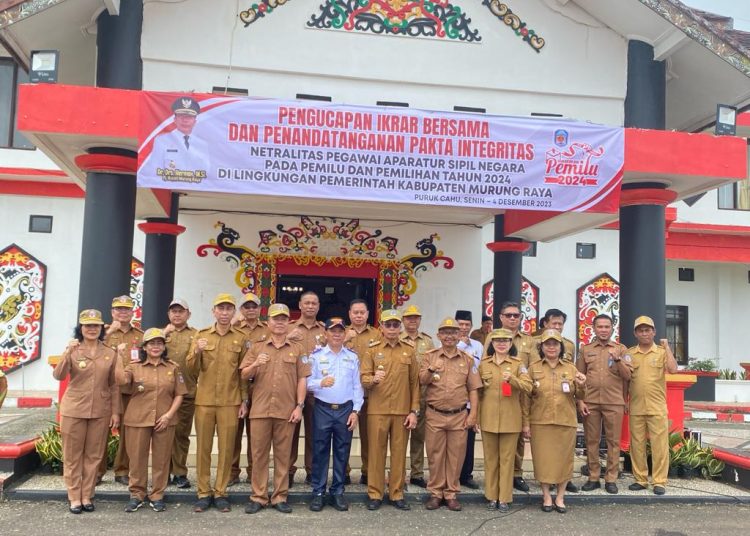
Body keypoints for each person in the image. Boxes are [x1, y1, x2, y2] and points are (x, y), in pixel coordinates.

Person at [240, 303, 311, 514]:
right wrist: (255, 365)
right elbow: (244, 375)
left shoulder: (298, 349)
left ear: (288, 322)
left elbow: (302, 380)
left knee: (283, 456)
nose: (279, 323)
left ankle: (280, 496)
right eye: (275, 319)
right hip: (260, 410)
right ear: (268, 322)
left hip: (286, 410)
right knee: (259, 455)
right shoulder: (257, 347)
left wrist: (299, 406)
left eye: (283, 319)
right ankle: (259, 496)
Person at [53, 309, 120, 514]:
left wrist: (115, 412)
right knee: (73, 455)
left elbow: (114, 385)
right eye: (87, 325)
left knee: (94, 455)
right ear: (80, 328)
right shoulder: (73, 349)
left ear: (101, 328)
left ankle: (87, 495)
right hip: (74, 409)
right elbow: (58, 375)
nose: (92, 329)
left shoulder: (110, 352)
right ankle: (74, 496)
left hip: (100, 410)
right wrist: (67, 353)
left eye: (96, 326)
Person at [187, 294, 249, 513]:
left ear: (234, 312)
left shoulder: (240, 338)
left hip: (230, 402)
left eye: (228, 309)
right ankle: (203, 492)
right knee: (203, 448)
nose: (224, 313)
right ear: (214, 311)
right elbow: (191, 371)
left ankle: (221, 492)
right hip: (204, 400)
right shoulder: (201, 336)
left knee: (226, 449)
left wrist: (244, 400)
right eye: (220, 309)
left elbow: (243, 373)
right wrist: (196, 352)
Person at [115, 328, 187, 512]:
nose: (156, 347)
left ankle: (157, 495)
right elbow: (121, 381)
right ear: (144, 347)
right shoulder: (134, 366)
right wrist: (117, 357)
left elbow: (179, 394)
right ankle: (137, 494)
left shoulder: (173, 368)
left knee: (161, 459)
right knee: (137, 458)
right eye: (152, 343)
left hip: (164, 419)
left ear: (164, 347)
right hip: (137, 418)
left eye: (159, 343)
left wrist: (169, 415)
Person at [420, 317, 481, 512]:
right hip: (435, 414)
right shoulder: (430, 356)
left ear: (459, 335)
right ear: (439, 335)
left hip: (459, 415)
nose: (449, 336)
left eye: (453, 332)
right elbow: (422, 380)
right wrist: (431, 369)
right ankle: (436, 493)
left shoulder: (467, 359)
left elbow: (474, 389)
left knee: (456, 455)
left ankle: (451, 493)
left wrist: (473, 415)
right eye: (445, 332)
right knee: (435, 455)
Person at [361, 309, 419, 511]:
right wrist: (372, 380)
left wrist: (414, 411)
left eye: (396, 325)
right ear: (381, 327)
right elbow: (363, 377)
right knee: (376, 453)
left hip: (402, 410)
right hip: (377, 409)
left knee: (399, 453)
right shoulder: (372, 349)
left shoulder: (409, 350)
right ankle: (375, 493)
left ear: (400, 327)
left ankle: (396, 493)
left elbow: (415, 383)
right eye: (389, 325)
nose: (392, 328)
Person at [524, 330, 586, 514]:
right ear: (541, 347)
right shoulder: (533, 368)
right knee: (543, 460)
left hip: (565, 421)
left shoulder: (570, 368)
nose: (551, 347)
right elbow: (526, 398)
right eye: (547, 344)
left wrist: (582, 385)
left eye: (555, 344)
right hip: (540, 421)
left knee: (564, 460)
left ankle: (560, 496)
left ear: (561, 347)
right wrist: (525, 423)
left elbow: (579, 396)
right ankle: (546, 495)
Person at [306, 317, 364, 512]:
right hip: (322, 408)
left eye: (340, 331)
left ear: (345, 334)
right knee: (320, 451)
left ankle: (338, 491)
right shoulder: (316, 356)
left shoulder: (352, 357)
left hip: (345, 409)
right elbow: (305, 383)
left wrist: (356, 411)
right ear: (326, 334)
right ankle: (318, 492)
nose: (337, 334)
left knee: (342, 452)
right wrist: (319, 384)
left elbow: (357, 386)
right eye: (333, 331)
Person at [479, 328, 533, 512]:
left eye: (505, 341)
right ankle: (491, 496)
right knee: (491, 460)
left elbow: (529, 387)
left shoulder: (519, 365)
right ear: (492, 344)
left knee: (507, 460)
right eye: (497, 341)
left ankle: (504, 497)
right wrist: (476, 418)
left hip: (511, 419)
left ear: (511, 344)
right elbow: (478, 393)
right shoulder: (484, 364)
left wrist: (513, 380)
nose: (501, 343)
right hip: (488, 417)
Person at [577, 314, 631, 494]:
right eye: (599, 326)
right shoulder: (586, 350)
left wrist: (617, 359)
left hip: (613, 401)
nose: (603, 330)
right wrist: (580, 400)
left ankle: (611, 478)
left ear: (612, 328)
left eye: (606, 327)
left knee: (613, 442)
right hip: (590, 401)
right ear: (594, 328)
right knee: (591, 440)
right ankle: (593, 476)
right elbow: (579, 377)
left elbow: (628, 376)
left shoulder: (621, 349)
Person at [627, 315, 678, 495]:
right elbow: (625, 379)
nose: (644, 333)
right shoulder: (630, 353)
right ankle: (640, 479)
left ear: (654, 332)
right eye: (640, 330)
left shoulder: (662, 352)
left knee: (660, 446)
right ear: (635, 333)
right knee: (637, 445)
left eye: (647, 330)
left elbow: (673, 369)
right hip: (636, 406)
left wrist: (667, 347)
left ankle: (659, 482)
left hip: (657, 407)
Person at [487, 301, 535, 492]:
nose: (513, 318)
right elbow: (486, 361)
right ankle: (497, 481)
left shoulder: (528, 340)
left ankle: (516, 473)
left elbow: (533, 367)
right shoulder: (492, 336)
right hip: (496, 391)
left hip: (520, 390)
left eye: (516, 315)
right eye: (509, 315)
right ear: (501, 317)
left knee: (519, 436)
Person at [100, 295, 143, 486]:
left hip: (129, 390)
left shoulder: (140, 335)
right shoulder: (102, 333)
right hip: (105, 389)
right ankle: (97, 472)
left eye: (126, 309)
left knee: (127, 432)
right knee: (100, 432)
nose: (122, 313)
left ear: (132, 312)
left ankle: (122, 470)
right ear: (112, 312)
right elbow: (94, 350)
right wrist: (110, 332)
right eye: (119, 309)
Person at [228, 292, 269, 487]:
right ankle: (232, 472)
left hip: (260, 387)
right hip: (237, 386)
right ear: (241, 310)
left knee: (257, 434)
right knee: (234, 433)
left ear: (260, 309)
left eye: (254, 306)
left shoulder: (268, 330)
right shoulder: (234, 329)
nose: (251, 310)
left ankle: (254, 471)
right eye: (247, 306)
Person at [287, 290, 326, 487]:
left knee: (315, 434)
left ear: (318, 307)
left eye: (314, 303)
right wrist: (288, 338)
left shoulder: (325, 331)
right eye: (307, 303)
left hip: (318, 390)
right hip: (293, 388)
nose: (310, 306)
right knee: (290, 433)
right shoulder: (288, 329)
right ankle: (288, 471)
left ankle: (312, 471)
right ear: (300, 305)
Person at [344, 298, 380, 485]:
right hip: (346, 394)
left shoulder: (377, 334)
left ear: (367, 314)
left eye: (362, 312)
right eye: (355, 312)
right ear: (349, 314)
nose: (358, 315)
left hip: (369, 393)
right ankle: (345, 471)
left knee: (369, 436)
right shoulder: (341, 333)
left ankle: (367, 472)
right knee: (344, 436)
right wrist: (345, 339)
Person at [163, 298, 197, 489]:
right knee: (163, 435)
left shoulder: (196, 334)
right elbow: (146, 351)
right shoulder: (160, 334)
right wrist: (163, 333)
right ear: (168, 314)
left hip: (187, 392)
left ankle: (180, 473)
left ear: (188, 314)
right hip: (163, 393)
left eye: (181, 311)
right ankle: (163, 472)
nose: (177, 314)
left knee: (181, 435)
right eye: (173, 311)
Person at [400, 304, 435, 488]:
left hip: (421, 395)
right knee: (398, 437)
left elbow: (433, 365)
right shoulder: (396, 337)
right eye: (408, 318)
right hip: (400, 394)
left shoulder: (427, 342)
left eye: (415, 318)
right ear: (403, 321)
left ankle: (417, 473)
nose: (412, 321)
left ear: (420, 320)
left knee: (419, 437)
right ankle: (398, 472)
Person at [148, 96, 210, 181]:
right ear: (175, 119)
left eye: (189, 117)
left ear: (195, 121)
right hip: (169, 188)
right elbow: (154, 171)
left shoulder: (202, 145)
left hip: (194, 190)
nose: (185, 120)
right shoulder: (161, 141)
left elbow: (207, 173)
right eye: (181, 116)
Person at [455, 310, 483, 490]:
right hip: (454, 399)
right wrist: (460, 345)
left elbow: (479, 369)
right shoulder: (450, 343)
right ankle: (453, 475)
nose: (464, 328)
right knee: (454, 440)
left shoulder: (478, 345)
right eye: (461, 325)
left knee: (469, 439)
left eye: (467, 325)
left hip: (471, 398)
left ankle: (467, 474)